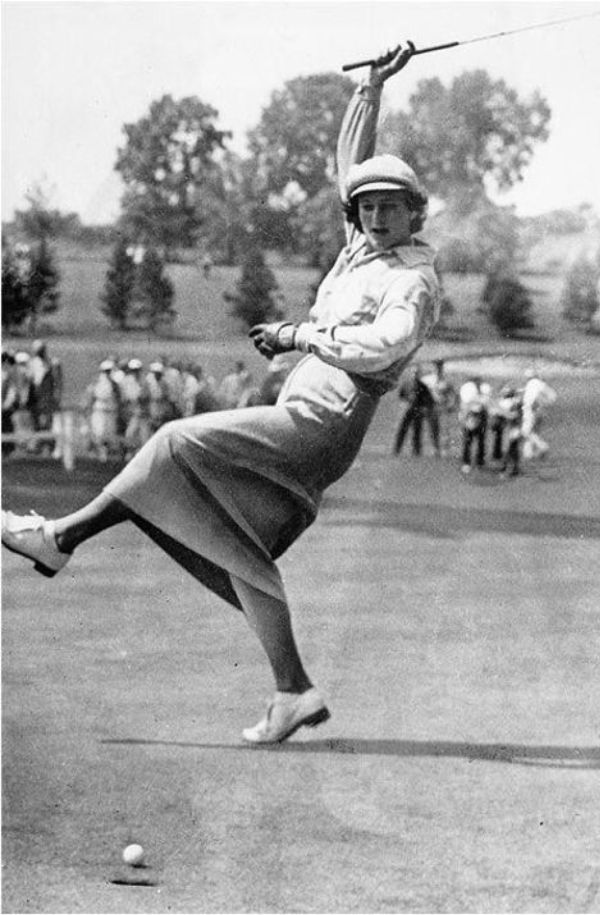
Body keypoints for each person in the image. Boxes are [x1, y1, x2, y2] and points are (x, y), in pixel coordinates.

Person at [2, 44, 440, 745]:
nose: (378, 216)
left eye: (393, 207)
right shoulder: (361, 248)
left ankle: (60, 537)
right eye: (369, 207)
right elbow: (347, 169)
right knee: (230, 537)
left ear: (416, 214)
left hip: (328, 417)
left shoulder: (412, 278)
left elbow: (384, 347)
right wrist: (370, 88)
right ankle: (291, 689)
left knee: (174, 441)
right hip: (306, 408)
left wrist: (301, 335)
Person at [393, 362, 436, 457]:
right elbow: (401, 395)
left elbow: (427, 398)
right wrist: (405, 403)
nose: (415, 375)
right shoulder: (406, 384)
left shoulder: (423, 386)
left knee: (417, 431)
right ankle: (397, 449)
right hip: (407, 409)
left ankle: (416, 451)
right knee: (402, 430)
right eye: (414, 372)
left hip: (418, 410)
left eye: (417, 373)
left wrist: (423, 407)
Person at [521, 368, 557, 461]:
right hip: (539, 410)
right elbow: (552, 396)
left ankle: (542, 446)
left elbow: (551, 395)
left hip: (531, 411)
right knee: (534, 431)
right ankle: (528, 454)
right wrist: (544, 403)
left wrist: (538, 402)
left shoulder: (532, 383)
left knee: (526, 431)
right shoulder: (539, 383)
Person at [458, 376, 489, 473]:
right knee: (469, 441)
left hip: (478, 415)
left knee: (479, 441)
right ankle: (468, 463)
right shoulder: (469, 390)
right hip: (471, 416)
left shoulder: (482, 391)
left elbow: (484, 405)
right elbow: (466, 405)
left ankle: (478, 462)